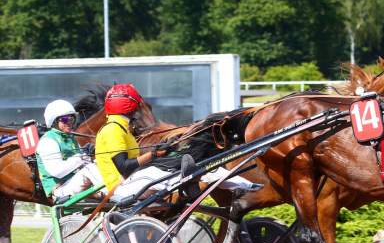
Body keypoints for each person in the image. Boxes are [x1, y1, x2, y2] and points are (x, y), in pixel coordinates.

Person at [94, 83, 260, 202]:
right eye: (137, 106)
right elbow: (123, 166)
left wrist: (166, 148)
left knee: (199, 168)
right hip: (123, 188)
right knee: (177, 169)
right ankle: (195, 179)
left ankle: (245, 186)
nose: (138, 110)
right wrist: (153, 154)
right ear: (130, 106)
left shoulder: (120, 128)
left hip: (132, 181)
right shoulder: (113, 130)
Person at [36, 99, 104, 200]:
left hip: (74, 184)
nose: (69, 122)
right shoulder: (48, 141)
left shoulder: (71, 138)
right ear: (54, 121)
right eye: (64, 120)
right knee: (90, 169)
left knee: (100, 163)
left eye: (72, 119)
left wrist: (90, 156)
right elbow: (57, 172)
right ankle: (116, 194)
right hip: (60, 190)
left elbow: (83, 162)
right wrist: (81, 156)